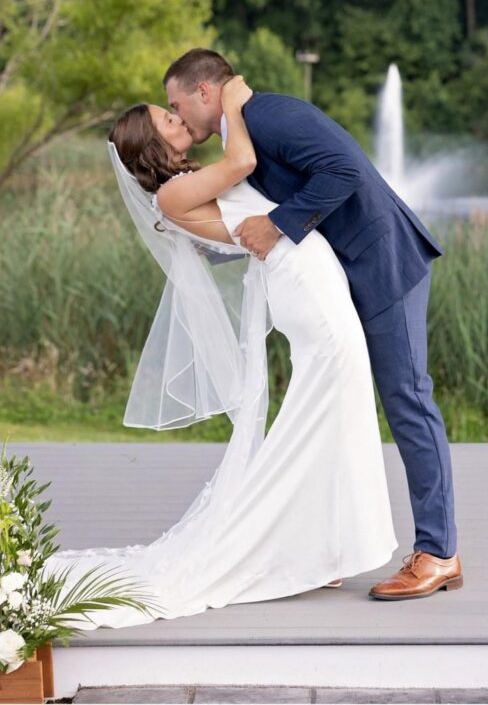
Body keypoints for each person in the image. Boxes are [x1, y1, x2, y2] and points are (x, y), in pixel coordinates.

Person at [40, 74, 399, 626]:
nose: (178, 118)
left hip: (307, 276)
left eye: (173, 110)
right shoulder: (170, 195)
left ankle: (314, 547)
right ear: (152, 145)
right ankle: (295, 544)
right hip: (304, 285)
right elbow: (243, 163)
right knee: (327, 411)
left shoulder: (187, 182)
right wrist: (230, 101)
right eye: (167, 118)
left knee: (328, 414)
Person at [163, 50, 462, 601]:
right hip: (350, 276)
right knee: (343, 408)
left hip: (384, 264)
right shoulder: (244, 133)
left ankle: (439, 553)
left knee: (408, 401)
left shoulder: (270, 115)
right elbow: (261, 211)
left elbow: (344, 171)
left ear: (204, 92)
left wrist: (278, 224)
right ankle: (330, 549)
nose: (177, 116)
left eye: (176, 105)